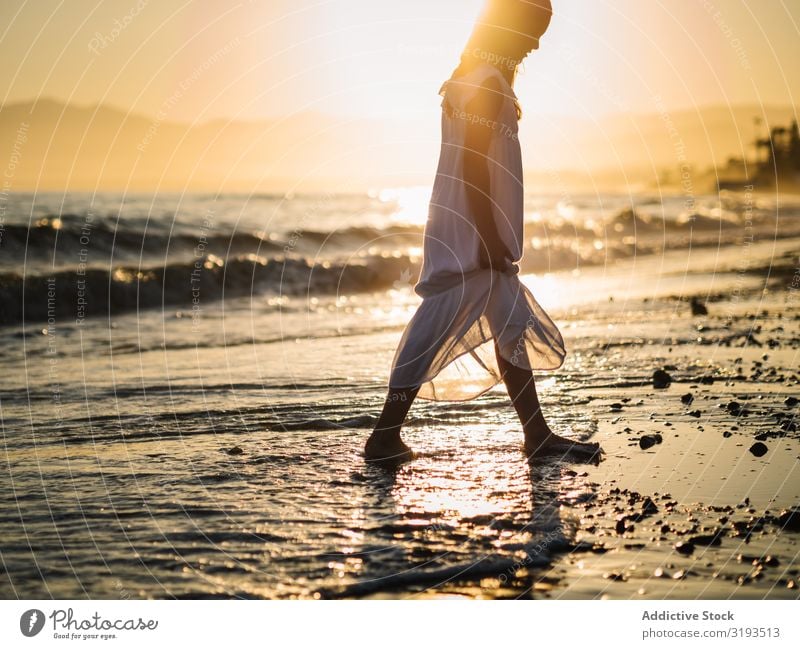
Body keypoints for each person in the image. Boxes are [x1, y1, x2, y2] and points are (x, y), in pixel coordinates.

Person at [365, 0, 601, 464]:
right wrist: (491, 238)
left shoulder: (469, 80)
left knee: (509, 323)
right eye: (532, 29)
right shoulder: (486, 86)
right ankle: (384, 435)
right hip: (473, 228)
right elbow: (472, 167)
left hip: (465, 220)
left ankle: (537, 435)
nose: (535, 43)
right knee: (435, 324)